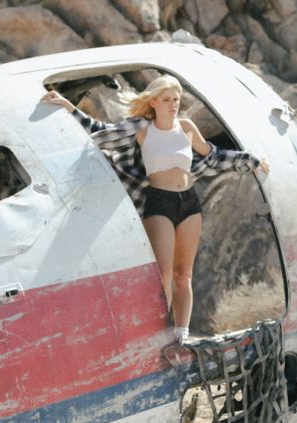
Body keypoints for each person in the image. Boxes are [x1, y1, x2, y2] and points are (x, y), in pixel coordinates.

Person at [41, 75, 268, 343]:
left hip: (189, 202)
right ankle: (158, 333)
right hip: (159, 201)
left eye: (176, 100)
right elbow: (98, 129)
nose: (173, 105)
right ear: (153, 102)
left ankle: (181, 335)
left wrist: (248, 159)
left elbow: (212, 154)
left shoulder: (186, 127)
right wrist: (68, 106)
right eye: (167, 100)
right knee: (162, 275)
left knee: (183, 275)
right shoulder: (142, 128)